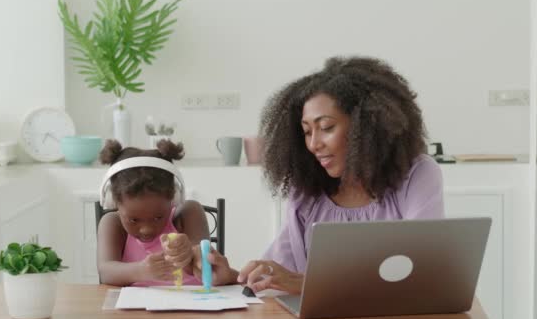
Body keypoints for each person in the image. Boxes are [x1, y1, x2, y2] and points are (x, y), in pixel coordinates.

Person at [232, 56, 445, 294]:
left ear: (365, 126)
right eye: (306, 132)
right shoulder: (307, 191)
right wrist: (231, 277)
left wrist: (308, 285)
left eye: (326, 128)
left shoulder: (417, 175)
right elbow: (277, 273)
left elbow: (420, 273)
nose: (313, 144)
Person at [97, 139, 216, 287]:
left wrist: (189, 254)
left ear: (174, 198)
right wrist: (141, 271)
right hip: (135, 307)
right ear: (113, 202)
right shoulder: (112, 223)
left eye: (158, 217)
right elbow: (105, 273)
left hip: (191, 304)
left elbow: (205, 265)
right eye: (133, 220)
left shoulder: (189, 213)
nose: (146, 229)